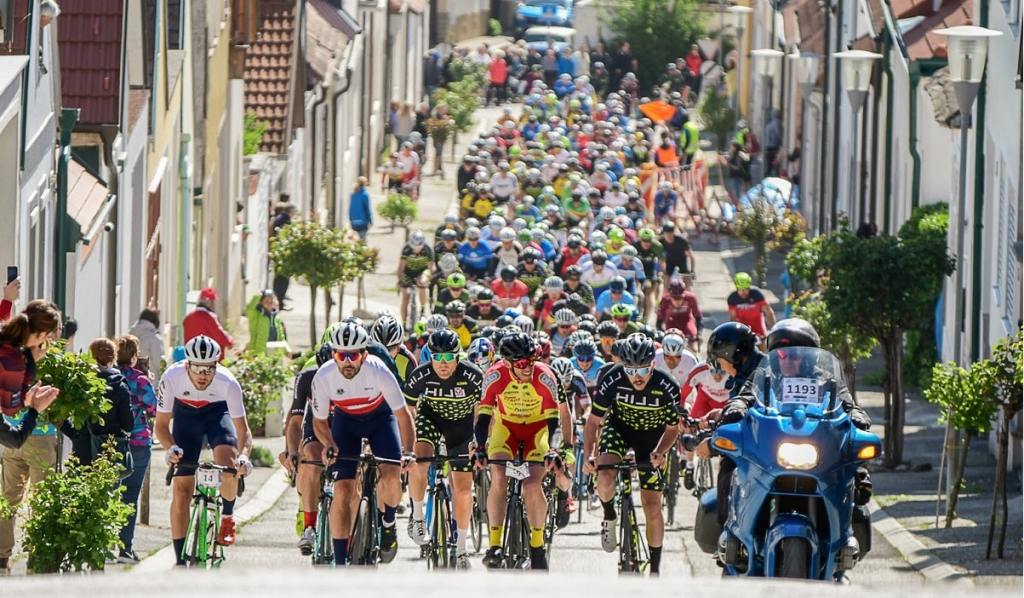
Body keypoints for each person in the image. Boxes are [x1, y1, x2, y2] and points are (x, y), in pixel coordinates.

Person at [311, 322, 415, 566]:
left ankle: (388, 521)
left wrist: (408, 452)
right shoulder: (323, 376)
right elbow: (319, 422)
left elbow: (403, 416)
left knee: (391, 473)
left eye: (353, 355)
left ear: (364, 355)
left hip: (380, 418)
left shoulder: (378, 370)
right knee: (343, 489)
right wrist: (328, 443)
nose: (347, 361)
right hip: (346, 422)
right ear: (333, 354)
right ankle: (339, 561)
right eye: (341, 355)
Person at [583, 334, 680, 575]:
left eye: (644, 370)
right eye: (630, 369)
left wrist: (660, 452)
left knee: (652, 505)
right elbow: (594, 421)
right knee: (604, 478)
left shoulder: (667, 385)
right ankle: (609, 515)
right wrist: (588, 455)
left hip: (653, 439)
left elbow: (672, 428)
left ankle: (655, 569)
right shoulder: (612, 379)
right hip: (620, 430)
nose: (637, 376)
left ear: (653, 365)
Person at [156, 335, 253, 564]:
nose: (202, 375)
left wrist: (244, 457)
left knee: (228, 464)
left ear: (216, 366)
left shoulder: (228, 382)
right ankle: (180, 559)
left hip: (217, 414)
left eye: (208, 369)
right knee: (181, 488)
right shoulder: (171, 377)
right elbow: (160, 426)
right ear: (187, 364)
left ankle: (227, 518)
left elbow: (243, 431)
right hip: (186, 417)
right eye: (197, 369)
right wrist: (170, 448)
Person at [473, 332, 562, 571]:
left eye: (532, 361)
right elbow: (483, 420)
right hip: (507, 429)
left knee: (531, 485)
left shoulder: (545, 376)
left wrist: (554, 449)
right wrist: (480, 448)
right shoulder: (494, 376)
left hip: (537, 430)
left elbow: (555, 422)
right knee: (499, 478)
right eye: (522, 364)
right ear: (508, 362)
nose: (528, 368)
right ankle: (494, 545)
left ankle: (537, 544)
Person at [403, 329, 484, 569]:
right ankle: (417, 516)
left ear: (458, 357)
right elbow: (407, 410)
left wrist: (478, 443)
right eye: (437, 358)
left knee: (462, 488)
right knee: (419, 460)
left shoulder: (472, 375)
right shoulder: (421, 375)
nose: (443, 363)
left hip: (462, 426)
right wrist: (408, 445)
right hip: (430, 419)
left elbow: (484, 410)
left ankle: (461, 548)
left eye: (449, 357)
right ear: (430, 358)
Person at [0, 300, 62, 573]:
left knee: (8, 498)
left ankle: (2, 556)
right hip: (34, 440)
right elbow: (13, 420)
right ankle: (39, 557)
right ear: (40, 336)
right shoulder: (14, 359)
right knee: (41, 497)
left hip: (16, 443)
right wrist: (33, 407)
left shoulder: (11, 348)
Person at [284, 343, 333, 555]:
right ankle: (310, 527)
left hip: (345, 424)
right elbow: (295, 422)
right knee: (311, 458)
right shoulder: (306, 377)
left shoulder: (355, 377)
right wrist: (292, 451)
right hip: (316, 425)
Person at [115, 334, 158, 564]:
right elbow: (154, 409)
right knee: (130, 497)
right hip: (138, 442)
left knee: (110, 492)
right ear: (133, 357)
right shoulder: (140, 381)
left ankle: (102, 544)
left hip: (111, 443)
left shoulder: (108, 378)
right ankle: (125, 549)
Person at [61, 338, 133, 465]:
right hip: (109, 450)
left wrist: (74, 434)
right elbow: (128, 424)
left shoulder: (80, 382)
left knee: (80, 484)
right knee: (109, 484)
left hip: (82, 449)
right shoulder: (119, 385)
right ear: (113, 358)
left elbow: (61, 414)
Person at [182, 287, 235, 358]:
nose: (214, 304)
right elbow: (220, 335)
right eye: (213, 301)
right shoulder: (210, 317)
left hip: (192, 357)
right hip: (209, 359)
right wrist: (230, 342)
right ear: (210, 302)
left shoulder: (188, 318)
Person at [727, 272, 775, 348]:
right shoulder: (732, 298)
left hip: (758, 325)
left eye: (746, 289)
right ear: (736, 287)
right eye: (740, 289)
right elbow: (733, 318)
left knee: (763, 347)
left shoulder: (757, 294)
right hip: (743, 327)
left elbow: (768, 312)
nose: (743, 292)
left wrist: (773, 328)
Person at [271, 201, 297, 308]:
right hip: (283, 252)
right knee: (282, 279)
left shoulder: (280, 218)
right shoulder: (284, 219)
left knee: (280, 277)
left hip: (279, 251)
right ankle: (279, 301)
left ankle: (279, 300)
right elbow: (284, 234)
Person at [246, 290, 287, 355]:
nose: (269, 303)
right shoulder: (257, 315)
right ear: (261, 303)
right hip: (257, 352)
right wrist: (257, 296)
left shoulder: (276, 317)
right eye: (266, 301)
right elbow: (249, 309)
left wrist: (287, 350)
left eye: (271, 301)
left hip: (273, 352)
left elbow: (281, 337)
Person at [129, 308, 165, 380]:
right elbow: (159, 363)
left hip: (130, 379)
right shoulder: (154, 338)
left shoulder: (130, 334)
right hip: (148, 380)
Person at [764, 109, 782, 177]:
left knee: (769, 166)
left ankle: (766, 177)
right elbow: (778, 133)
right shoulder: (776, 123)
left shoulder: (768, 125)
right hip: (775, 147)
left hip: (768, 148)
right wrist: (781, 142)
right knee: (775, 165)